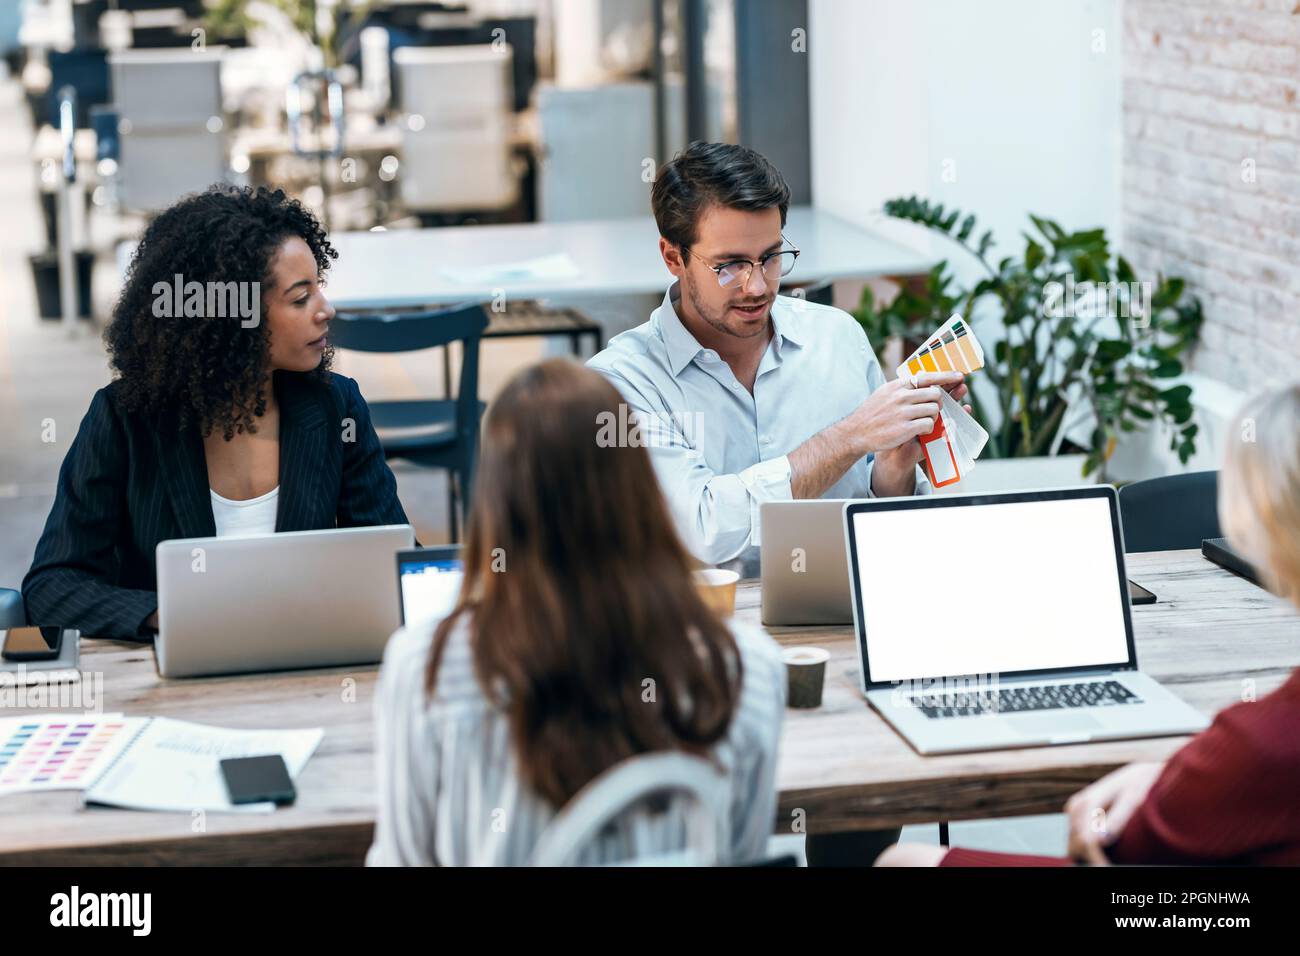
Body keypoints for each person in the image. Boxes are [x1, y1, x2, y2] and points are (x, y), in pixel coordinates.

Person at [367, 359, 786, 866]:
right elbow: (739, 855)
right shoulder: (745, 668)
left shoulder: (426, 672)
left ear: (494, 502)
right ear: (641, 489)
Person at [877, 382, 1300, 867]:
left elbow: (1115, 848)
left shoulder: (1261, 743)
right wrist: (1169, 771)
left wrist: (1170, 781)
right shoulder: (1254, 743)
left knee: (902, 861)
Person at [22, 185, 408, 640]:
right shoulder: (125, 419)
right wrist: (167, 614)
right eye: (300, 298)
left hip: (308, 668)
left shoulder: (336, 407)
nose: (326, 310)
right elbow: (51, 588)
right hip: (171, 682)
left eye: (318, 288)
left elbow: (398, 562)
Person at [587, 141, 968, 576]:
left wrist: (893, 468)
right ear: (674, 257)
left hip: (840, 618)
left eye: (770, 258)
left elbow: (885, 521)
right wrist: (849, 438)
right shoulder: (621, 381)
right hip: (704, 631)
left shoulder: (837, 338)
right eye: (729, 265)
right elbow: (702, 528)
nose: (756, 286)